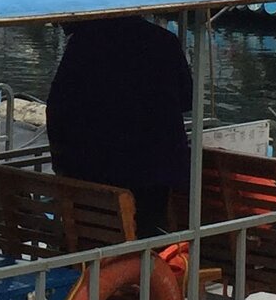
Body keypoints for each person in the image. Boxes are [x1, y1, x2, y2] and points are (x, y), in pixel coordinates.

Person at [45, 15, 193, 234]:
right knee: (148, 234)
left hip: (92, 170)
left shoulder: (85, 44)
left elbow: (59, 106)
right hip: (153, 170)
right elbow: (187, 99)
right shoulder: (164, 41)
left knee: (97, 233)